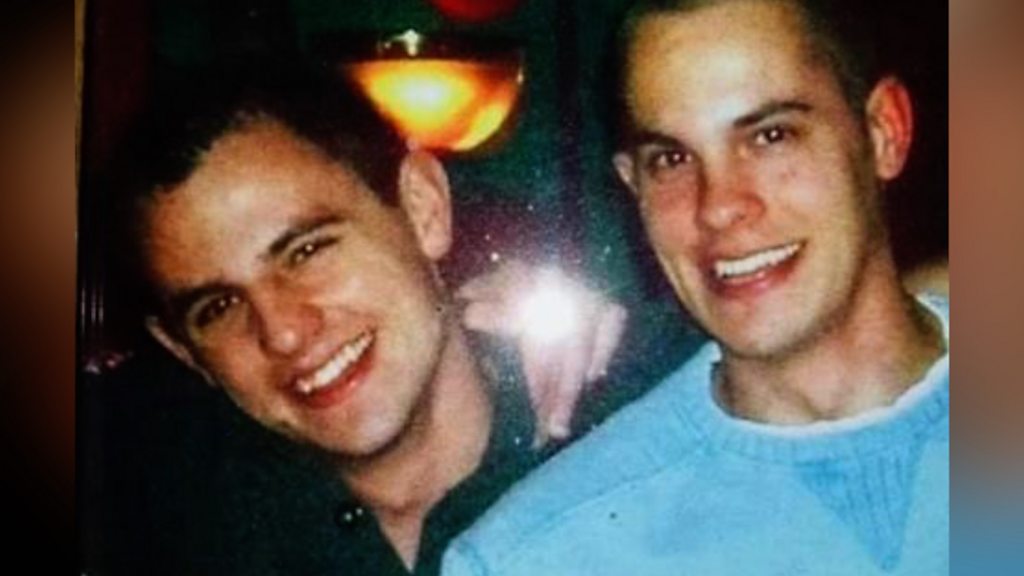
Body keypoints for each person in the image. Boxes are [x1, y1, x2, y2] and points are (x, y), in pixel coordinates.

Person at [442, 0, 949, 574]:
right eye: (672, 158)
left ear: (884, 132)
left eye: (771, 135)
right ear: (632, 185)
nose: (719, 206)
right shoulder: (537, 556)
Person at [81, 68, 635, 576]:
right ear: (182, 350)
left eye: (306, 251)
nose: (282, 332)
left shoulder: (630, 434)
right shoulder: (152, 492)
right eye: (218, 308)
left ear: (423, 207)